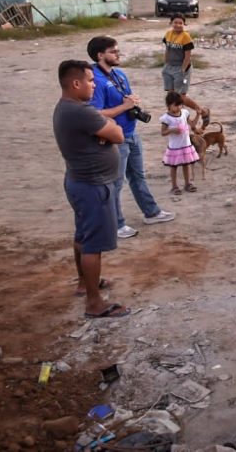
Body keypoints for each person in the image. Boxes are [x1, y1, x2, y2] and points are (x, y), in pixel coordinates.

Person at [53, 60, 129, 319]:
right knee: (93, 245)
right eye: (90, 81)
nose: (94, 85)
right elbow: (118, 135)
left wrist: (105, 129)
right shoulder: (81, 112)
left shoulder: (66, 107)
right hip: (93, 186)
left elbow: (107, 129)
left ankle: (85, 283)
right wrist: (110, 130)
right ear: (76, 83)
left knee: (83, 236)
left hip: (80, 181)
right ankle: (94, 304)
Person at [88, 36, 175, 239]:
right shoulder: (95, 80)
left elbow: (125, 101)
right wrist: (124, 106)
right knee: (115, 183)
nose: (118, 54)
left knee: (137, 176)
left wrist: (132, 103)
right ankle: (115, 224)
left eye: (117, 50)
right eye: (113, 51)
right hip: (114, 139)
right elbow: (94, 114)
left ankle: (151, 212)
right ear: (100, 55)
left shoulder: (119, 75)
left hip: (131, 133)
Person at [159, 91, 200, 195]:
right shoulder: (166, 118)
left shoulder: (184, 113)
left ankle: (188, 183)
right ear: (169, 105)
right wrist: (173, 130)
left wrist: (198, 115)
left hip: (185, 145)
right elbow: (163, 132)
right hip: (175, 147)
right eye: (176, 105)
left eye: (180, 105)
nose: (179, 107)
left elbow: (192, 125)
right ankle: (174, 186)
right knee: (174, 166)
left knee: (186, 164)